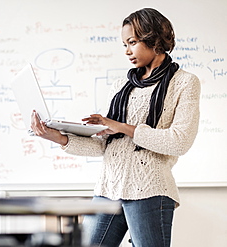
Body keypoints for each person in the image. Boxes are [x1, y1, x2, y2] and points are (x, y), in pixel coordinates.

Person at [30, 7, 200, 247]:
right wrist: (57, 137)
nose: (128, 51)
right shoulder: (122, 85)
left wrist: (122, 127)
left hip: (150, 190)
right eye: (124, 45)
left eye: (132, 42)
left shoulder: (184, 82)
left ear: (154, 39)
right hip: (108, 188)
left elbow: (179, 141)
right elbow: (104, 146)